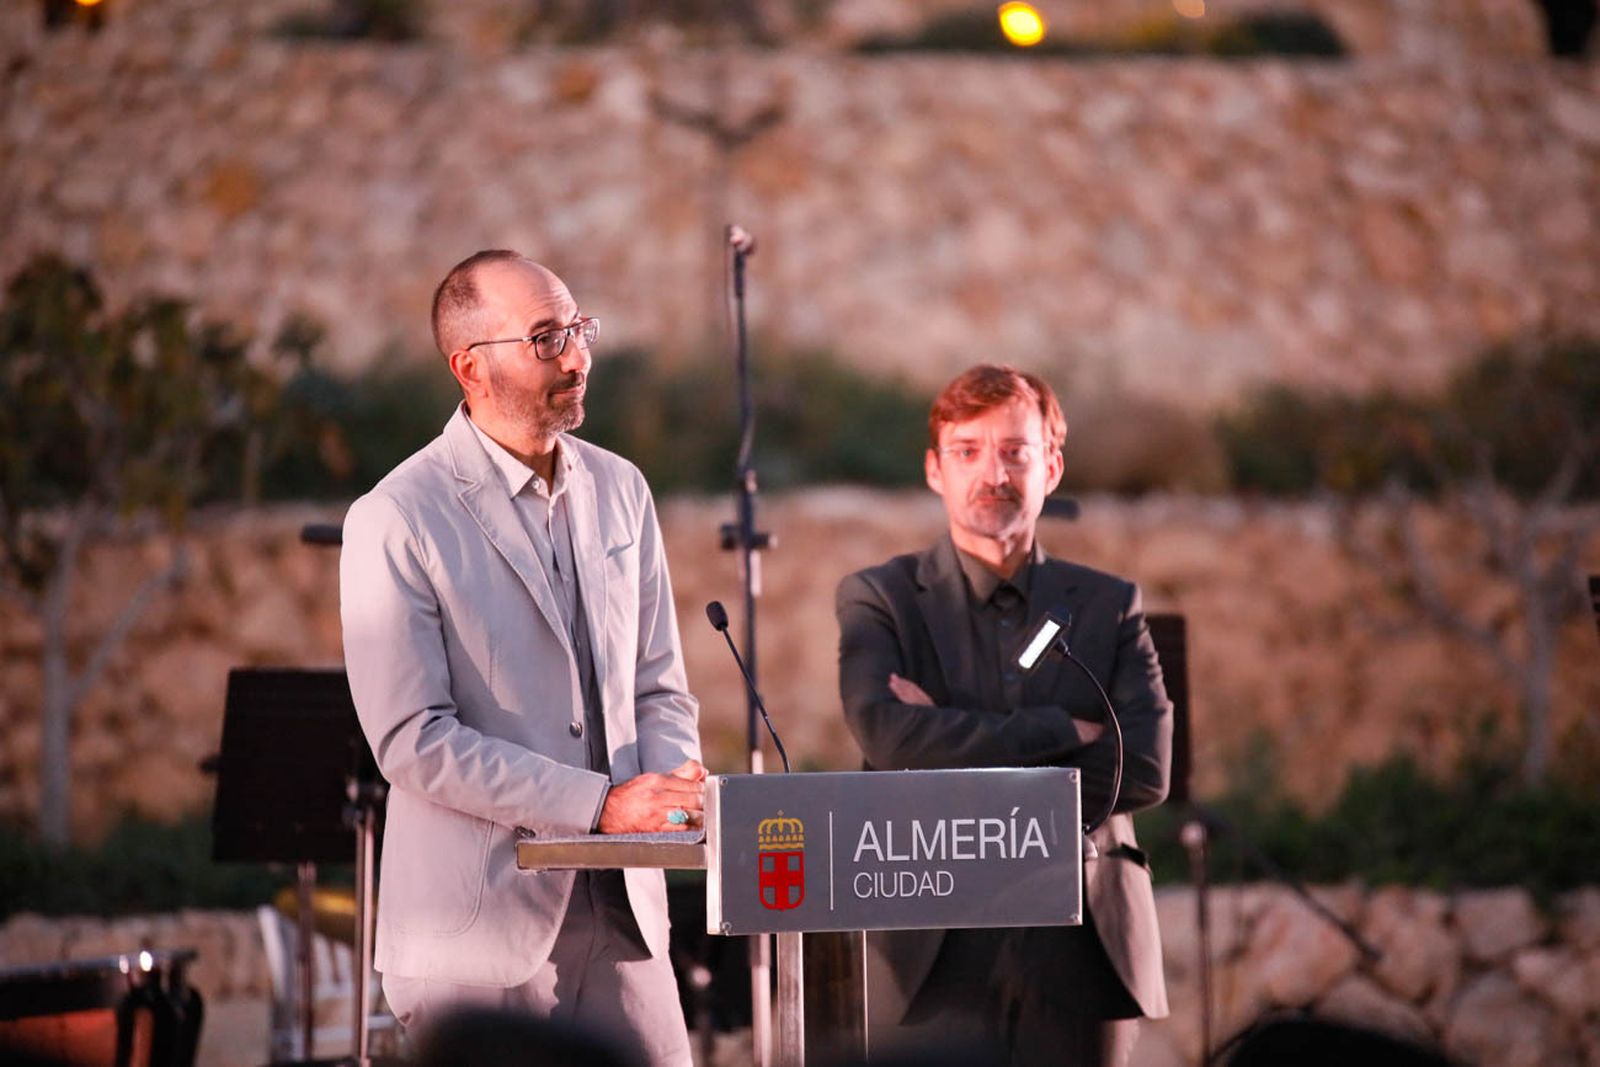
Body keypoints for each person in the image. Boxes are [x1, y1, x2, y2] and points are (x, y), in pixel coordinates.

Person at [340, 250, 705, 1065]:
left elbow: (659, 687)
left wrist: (674, 795)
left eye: (578, 328)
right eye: (545, 338)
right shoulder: (395, 515)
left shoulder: (624, 489)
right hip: (478, 935)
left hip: (624, 918)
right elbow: (413, 741)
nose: (576, 356)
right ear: (469, 366)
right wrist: (601, 803)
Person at [835, 364, 1173, 1067]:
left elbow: (1143, 765)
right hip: (930, 945)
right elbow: (891, 737)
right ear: (935, 470)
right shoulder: (880, 599)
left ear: (1050, 466)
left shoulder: (1109, 605)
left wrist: (950, 730)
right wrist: (1062, 731)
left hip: (1082, 946)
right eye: (967, 451)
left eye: (1015, 451)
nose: (993, 472)